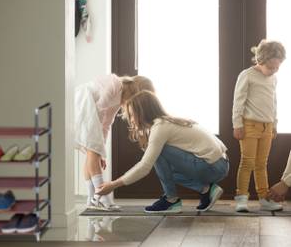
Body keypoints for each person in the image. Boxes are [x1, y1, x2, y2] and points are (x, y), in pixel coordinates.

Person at [96, 90, 229, 213]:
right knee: (166, 171)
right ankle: (205, 189)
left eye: (132, 115)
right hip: (220, 163)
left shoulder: (161, 127)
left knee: (158, 153)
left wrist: (113, 185)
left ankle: (171, 200)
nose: (130, 120)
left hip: (213, 167)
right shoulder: (167, 122)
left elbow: (144, 167)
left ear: (142, 112)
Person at [75, 74, 155, 211]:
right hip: (83, 103)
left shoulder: (119, 101)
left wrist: (102, 152)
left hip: (90, 111)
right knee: (93, 151)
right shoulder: (115, 83)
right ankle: (102, 198)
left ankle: (91, 199)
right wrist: (98, 149)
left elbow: (107, 123)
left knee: (92, 153)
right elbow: (99, 108)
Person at [232, 39, 286, 212]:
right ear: (260, 60)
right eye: (270, 67)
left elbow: (274, 102)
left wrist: (275, 124)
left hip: (267, 126)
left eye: (277, 67)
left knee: (262, 164)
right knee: (247, 162)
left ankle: (264, 198)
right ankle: (241, 198)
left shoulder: (273, 79)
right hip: (249, 126)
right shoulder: (247, 75)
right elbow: (238, 102)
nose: (273, 71)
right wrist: (237, 124)